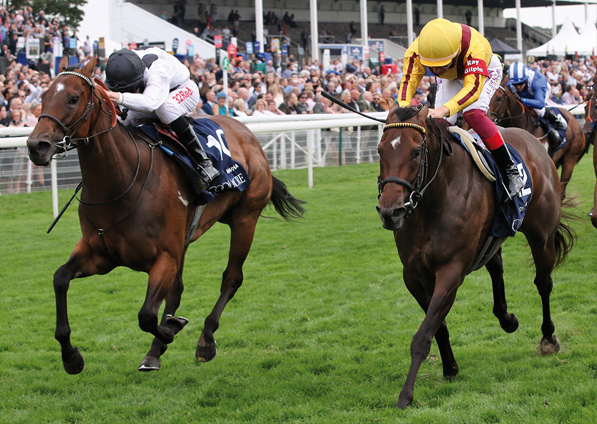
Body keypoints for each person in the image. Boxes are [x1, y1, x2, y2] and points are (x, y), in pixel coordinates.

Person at [398, 18, 523, 200]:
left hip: (485, 71)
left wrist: (443, 109)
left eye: (441, 67)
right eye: (431, 69)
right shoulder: (417, 50)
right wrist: (403, 110)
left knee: (473, 114)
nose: (437, 72)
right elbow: (408, 82)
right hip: (454, 74)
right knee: (440, 123)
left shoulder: (475, 47)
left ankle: (510, 170)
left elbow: (471, 90)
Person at [104, 48, 219, 191]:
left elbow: (150, 103)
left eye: (130, 88)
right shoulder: (117, 69)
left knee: (165, 108)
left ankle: (204, 162)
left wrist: (116, 96)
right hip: (152, 96)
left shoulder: (156, 69)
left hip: (183, 90)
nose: (128, 92)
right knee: (123, 122)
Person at [508, 61, 567, 150]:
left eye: (521, 83)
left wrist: (522, 100)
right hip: (526, 91)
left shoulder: (538, 81)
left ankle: (556, 120)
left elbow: (540, 103)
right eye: (515, 85)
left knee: (539, 111)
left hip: (539, 92)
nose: (518, 87)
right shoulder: (510, 82)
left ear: (526, 78)